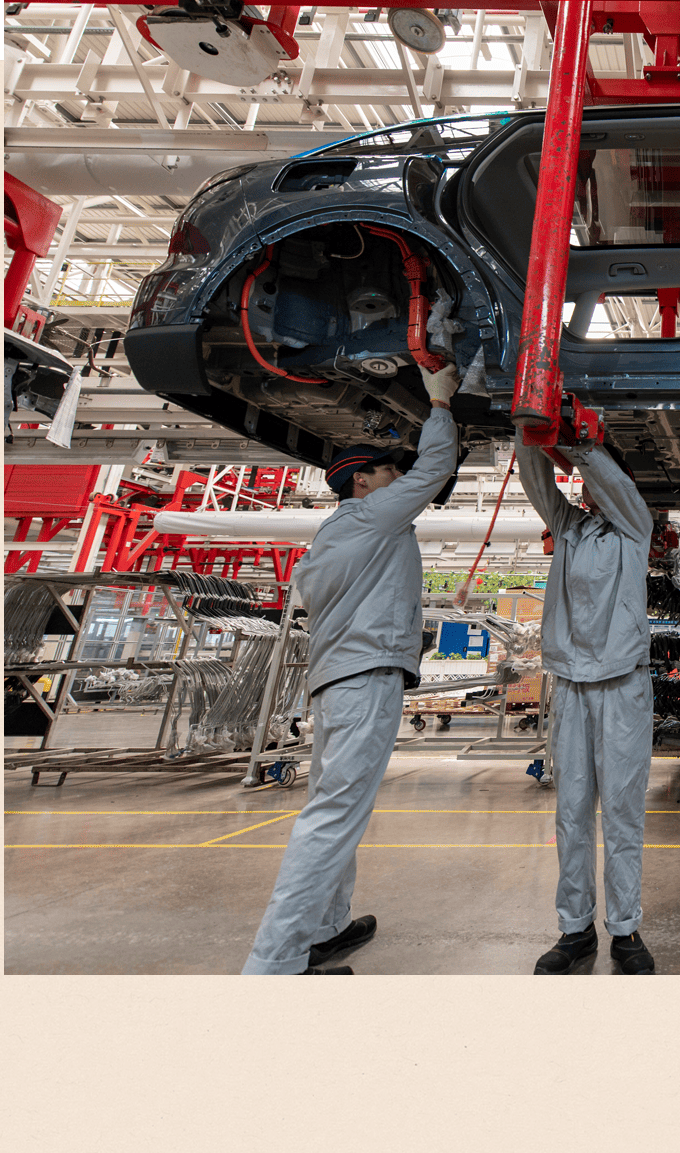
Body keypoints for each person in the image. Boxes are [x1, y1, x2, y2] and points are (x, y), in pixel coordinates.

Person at [242, 359, 462, 974]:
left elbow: (375, 596)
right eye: (391, 471)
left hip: (340, 681)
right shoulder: (370, 517)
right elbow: (436, 468)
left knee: (335, 805)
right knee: (335, 814)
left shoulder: (339, 535)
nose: (402, 480)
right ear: (362, 482)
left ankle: (326, 927)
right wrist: (440, 403)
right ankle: (275, 962)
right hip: (365, 683)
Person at [508, 424, 659, 974]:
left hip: (623, 684)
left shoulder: (635, 526)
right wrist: (527, 427)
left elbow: (612, 485)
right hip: (571, 684)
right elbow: (537, 482)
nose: (587, 489)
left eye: (598, 479)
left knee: (622, 813)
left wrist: (580, 443)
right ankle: (575, 929)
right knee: (570, 813)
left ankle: (625, 929)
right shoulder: (569, 529)